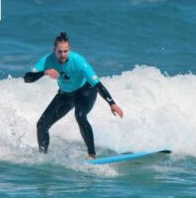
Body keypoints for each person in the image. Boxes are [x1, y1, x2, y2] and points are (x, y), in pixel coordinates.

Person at [24, 31, 123, 159]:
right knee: (42, 125)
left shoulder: (78, 61)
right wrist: (44, 72)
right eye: (60, 51)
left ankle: (91, 155)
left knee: (80, 115)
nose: (63, 55)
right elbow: (27, 78)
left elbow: (97, 84)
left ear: (69, 50)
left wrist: (111, 103)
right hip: (65, 95)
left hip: (85, 91)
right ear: (54, 50)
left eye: (65, 51)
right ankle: (42, 157)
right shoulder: (47, 60)